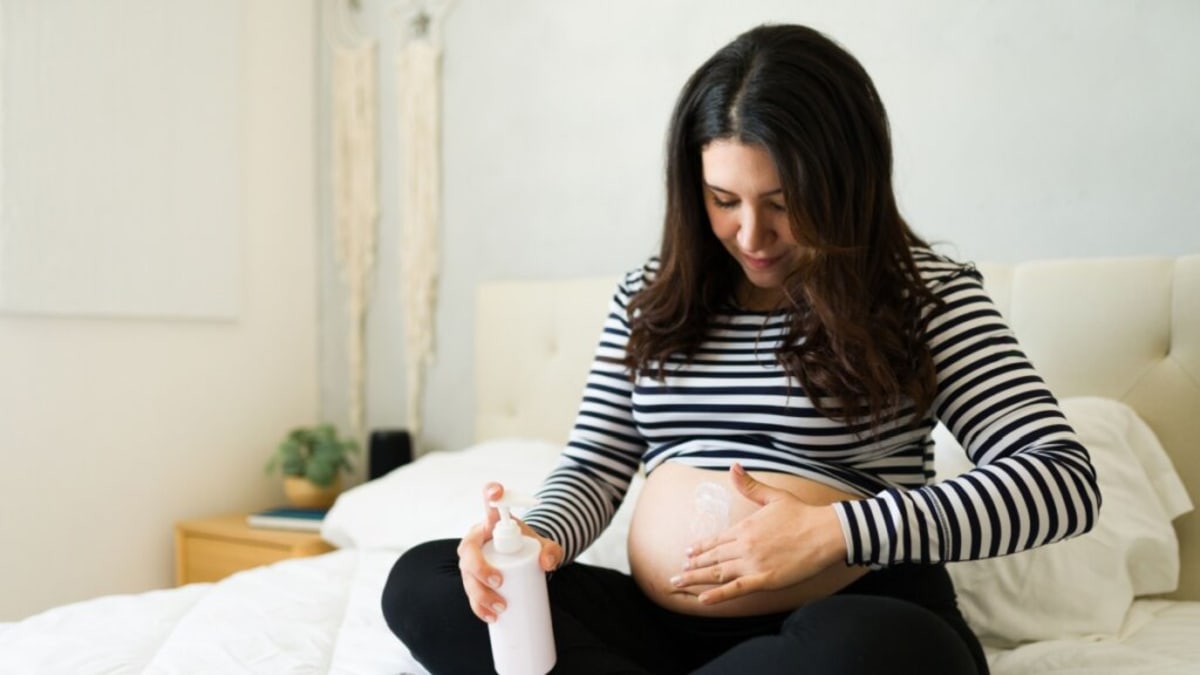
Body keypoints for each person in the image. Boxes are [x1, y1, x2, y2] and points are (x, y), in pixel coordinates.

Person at [382, 23, 1101, 675]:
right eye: (724, 200)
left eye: (783, 203)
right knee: (425, 583)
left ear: (847, 184)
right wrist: (533, 541)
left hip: (843, 619)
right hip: (659, 636)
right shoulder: (649, 296)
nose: (752, 235)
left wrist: (834, 532)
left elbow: (1062, 479)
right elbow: (596, 465)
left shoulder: (923, 295)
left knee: (879, 647)